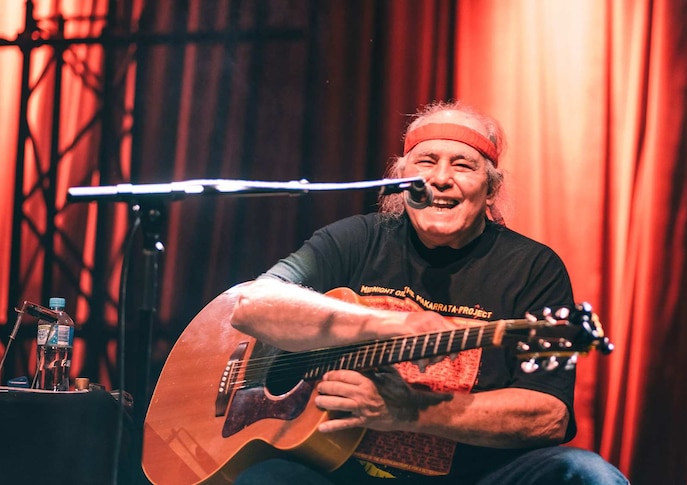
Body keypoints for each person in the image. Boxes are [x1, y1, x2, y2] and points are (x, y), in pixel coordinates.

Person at [229, 101, 628, 484]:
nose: (439, 178)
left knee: (586, 475)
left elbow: (549, 415)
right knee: (262, 478)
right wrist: (393, 324)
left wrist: (410, 411)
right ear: (401, 182)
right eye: (425, 162)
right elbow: (252, 305)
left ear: (491, 189)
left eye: (462, 165)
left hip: (476, 476)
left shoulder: (533, 268)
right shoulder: (357, 238)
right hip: (337, 467)